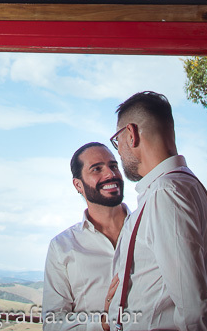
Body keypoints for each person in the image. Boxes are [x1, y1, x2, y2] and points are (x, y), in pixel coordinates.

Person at [106, 91, 207, 331]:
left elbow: (194, 309)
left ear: (131, 134)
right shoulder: (182, 186)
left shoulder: (166, 193)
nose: (119, 151)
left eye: (117, 141)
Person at [42, 142, 129, 331]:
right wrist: (102, 323)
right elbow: (52, 324)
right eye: (97, 169)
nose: (110, 174)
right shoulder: (61, 247)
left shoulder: (147, 228)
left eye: (113, 166)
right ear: (78, 185)